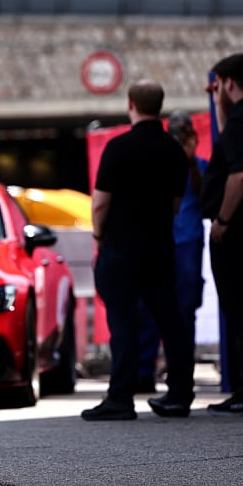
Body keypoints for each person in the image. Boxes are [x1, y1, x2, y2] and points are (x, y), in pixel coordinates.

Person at [83, 80, 195, 421]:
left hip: (120, 248)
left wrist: (99, 238)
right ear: (159, 106)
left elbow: (100, 203)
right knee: (170, 320)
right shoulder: (174, 150)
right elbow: (176, 204)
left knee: (123, 322)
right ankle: (178, 395)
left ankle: (121, 398)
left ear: (131, 103)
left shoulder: (118, 148)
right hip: (160, 249)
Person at [136, 111, 208, 392]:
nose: (178, 140)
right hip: (159, 239)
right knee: (151, 305)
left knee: (185, 308)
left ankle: (181, 374)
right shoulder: (160, 159)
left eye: (183, 135)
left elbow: (207, 199)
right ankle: (145, 371)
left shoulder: (199, 166)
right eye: (174, 134)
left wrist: (190, 162)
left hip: (188, 242)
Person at [200, 52, 243, 417]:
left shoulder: (241, 123)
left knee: (238, 309)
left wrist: (223, 222)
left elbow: (239, 175)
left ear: (229, 84)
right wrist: (221, 105)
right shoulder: (238, 121)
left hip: (235, 234)